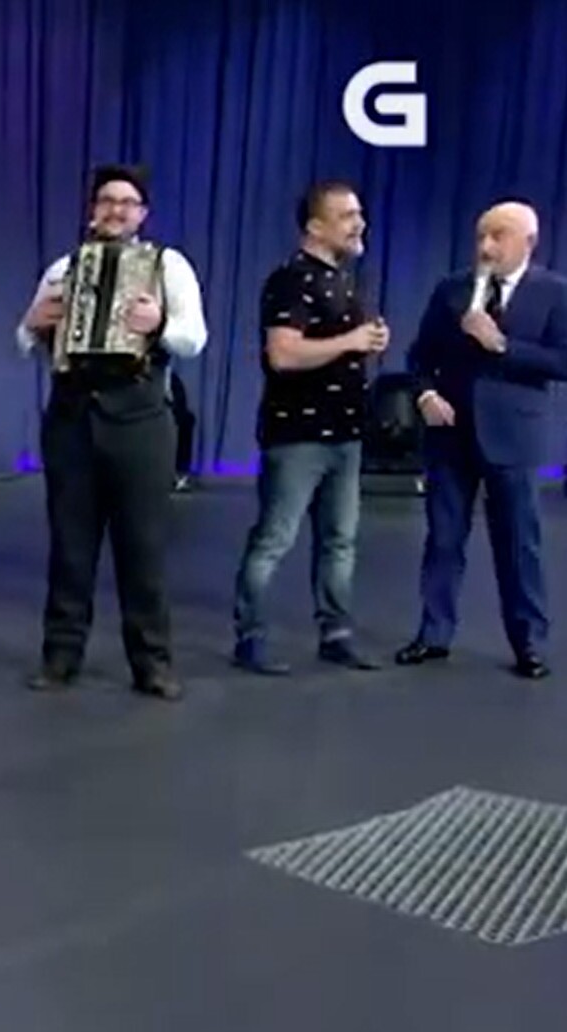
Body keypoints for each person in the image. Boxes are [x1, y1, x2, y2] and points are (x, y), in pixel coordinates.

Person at [15, 163, 207, 700]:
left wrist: (158, 325)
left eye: (127, 203)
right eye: (106, 201)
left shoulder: (168, 266)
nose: (115, 210)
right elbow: (23, 341)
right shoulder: (63, 268)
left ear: (143, 213)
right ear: (91, 211)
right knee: (70, 547)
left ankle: (152, 663)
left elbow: (195, 338)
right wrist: (33, 323)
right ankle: (60, 657)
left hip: (140, 419)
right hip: (72, 419)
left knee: (142, 548)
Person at [396, 201, 567, 679]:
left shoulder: (554, 293)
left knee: (519, 543)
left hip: (514, 436)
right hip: (451, 436)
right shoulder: (452, 289)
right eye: (481, 237)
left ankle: (529, 643)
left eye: (498, 236)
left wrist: (503, 346)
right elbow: (420, 355)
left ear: (528, 242)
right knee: (443, 539)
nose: (486, 247)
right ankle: (434, 634)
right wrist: (425, 393)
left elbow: (563, 361)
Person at [230, 181, 387, 674]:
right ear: (316, 227)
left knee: (340, 540)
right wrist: (351, 341)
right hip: (298, 435)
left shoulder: (346, 281)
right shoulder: (290, 280)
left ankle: (336, 633)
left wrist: (365, 342)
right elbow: (283, 354)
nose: (359, 224)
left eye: (359, 214)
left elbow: (339, 344)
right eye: (347, 216)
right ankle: (251, 637)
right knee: (274, 540)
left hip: (345, 433)